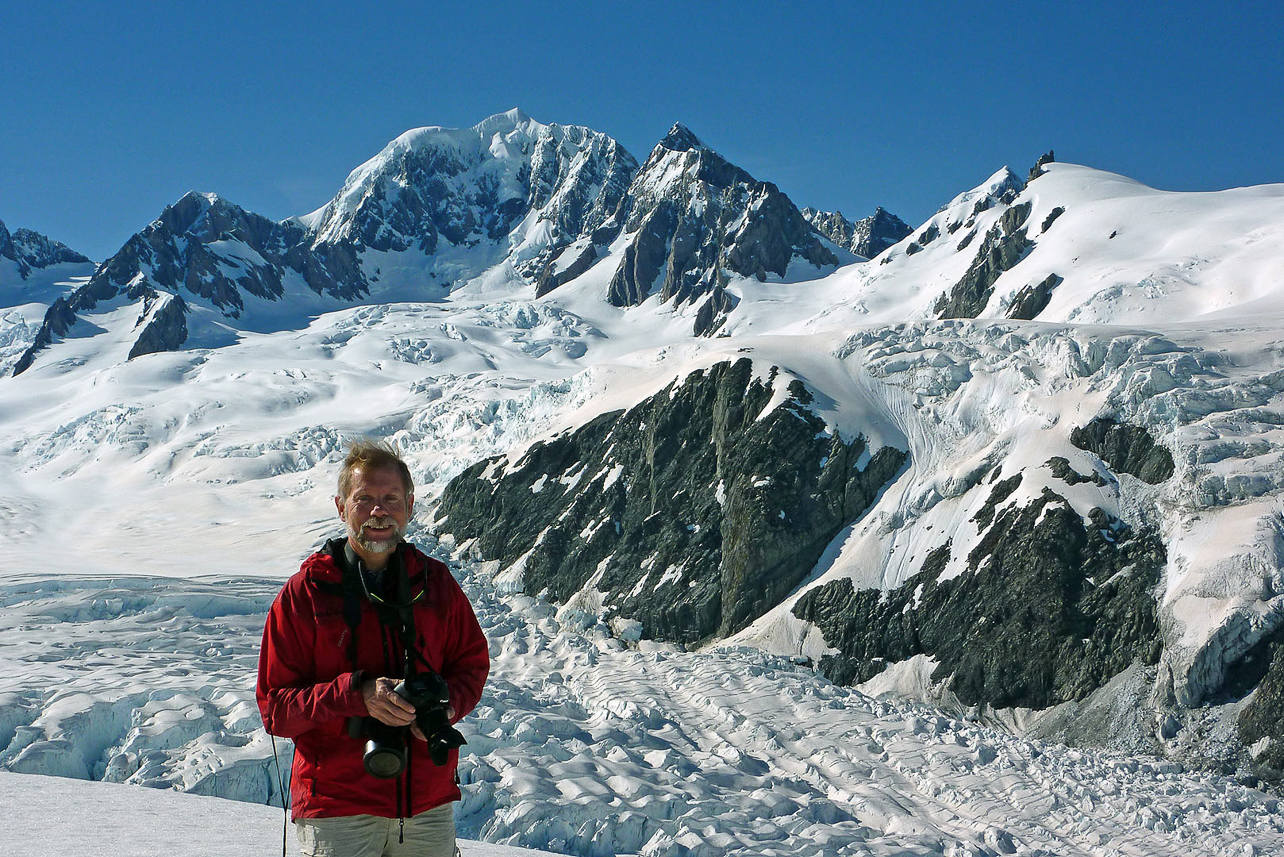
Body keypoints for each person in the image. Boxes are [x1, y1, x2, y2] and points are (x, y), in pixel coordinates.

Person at [257, 439, 489, 857]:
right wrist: (356, 696)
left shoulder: (436, 584)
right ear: (341, 507)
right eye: (364, 499)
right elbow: (275, 708)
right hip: (338, 810)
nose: (378, 510)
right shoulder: (306, 594)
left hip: (428, 807)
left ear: (410, 506)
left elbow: (471, 664)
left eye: (390, 499)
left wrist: (444, 707)